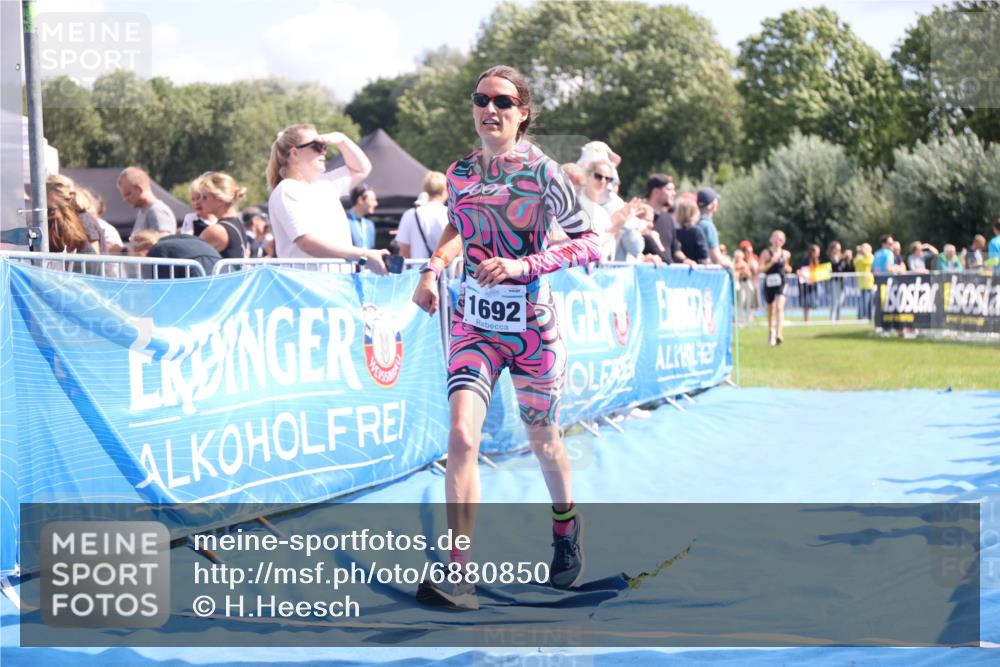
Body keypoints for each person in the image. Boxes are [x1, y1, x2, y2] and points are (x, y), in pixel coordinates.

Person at [410, 65, 600, 611]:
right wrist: (433, 267)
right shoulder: (461, 171)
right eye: (481, 99)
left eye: (503, 102)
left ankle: (566, 526)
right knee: (463, 438)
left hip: (532, 330)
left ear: (522, 113)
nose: (490, 110)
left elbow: (587, 244)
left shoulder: (542, 173)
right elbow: (458, 226)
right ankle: (459, 575)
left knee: (543, 441)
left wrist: (524, 266)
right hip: (474, 325)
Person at [266, 124, 388, 272]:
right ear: (294, 153)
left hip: (337, 282)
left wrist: (342, 140)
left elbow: (362, 169)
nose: (324, 151)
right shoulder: (287, 190)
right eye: (317, 146)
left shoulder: (325, 183)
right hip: (307, 285)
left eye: (324, 146)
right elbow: (307, 243)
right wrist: (363, 254)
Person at [189, 172, 250, 259]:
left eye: (204, 197)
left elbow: (188, 256)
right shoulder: (236, 223)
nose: (200, 201)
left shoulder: (216, 231)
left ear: (220, 200)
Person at [45, 176, 99, 274]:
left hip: (78, 276)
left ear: (51, 195)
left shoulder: (52, 219)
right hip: (87, 275)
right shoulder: (74, 218)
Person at [397, 171, 449, 259]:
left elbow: (404, 251)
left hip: (417, 270)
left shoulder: (410, 214)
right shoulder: (450, 214)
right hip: (444, 270)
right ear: (445, 189)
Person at [117, 166, 177, 240]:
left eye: (128, 194)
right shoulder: (143, 212)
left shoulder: (157, 211)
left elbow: (164, 242)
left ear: (139, 189)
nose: (125, 199)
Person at [759, 230, 791, 346]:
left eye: (780, 239)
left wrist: (789, 269)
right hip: (769, 283)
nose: (778, 242)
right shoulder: (766, 253)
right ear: (771, 239)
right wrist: (771, 262)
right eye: (776, 239)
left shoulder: (786, 254)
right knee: (771, 309)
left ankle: (779, 334)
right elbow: (760, 269)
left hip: (781, 283)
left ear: (783, 241)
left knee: (779, 307)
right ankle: (770, 332)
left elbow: (787, 266)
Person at [696, 187, 730, 268]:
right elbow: (715, 258)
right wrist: (730, 264)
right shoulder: (707, 226)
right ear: (713, 205)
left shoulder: (694, 223)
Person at [674, 198, 709, 264]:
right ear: (694, 213)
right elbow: (704, 256)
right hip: (695, 269)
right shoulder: (696, 231)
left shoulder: (674, 232)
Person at [826, 241, 851, 322]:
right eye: (837, 248)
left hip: (842, 282)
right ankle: (832, 319)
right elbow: (835, 266)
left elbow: (847, 269)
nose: (839, 249)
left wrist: (848, 259)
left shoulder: (842, 258)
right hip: (834, 281)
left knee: (840, 301)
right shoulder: (832, 258)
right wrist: (843, 257)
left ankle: (838, 319)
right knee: (835, 300)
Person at [347, 185, 378, 250]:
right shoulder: (344, 221)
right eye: (372, 200)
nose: (376, 203)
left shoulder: (370, 224)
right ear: (360, 200)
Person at [797, 244, 821, 323]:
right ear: (812, 252)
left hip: (812, 284)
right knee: (806, 303)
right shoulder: (805, 260)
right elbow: (802, 271)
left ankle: (807, 319)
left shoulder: (816, 261)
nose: (818, 254)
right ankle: (806, 320)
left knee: (810, 302)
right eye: (817, 252)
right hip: (805, 284)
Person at [853, 243, 875, 319]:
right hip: (862, 283)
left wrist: (864, 252)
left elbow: (869, 261)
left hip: (869, 282)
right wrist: (861, 253)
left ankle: (869, 317)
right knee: (863, 301)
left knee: (869, 302)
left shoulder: (869, 256)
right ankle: (861, 317)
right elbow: (856, 262)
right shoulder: (858, 257)